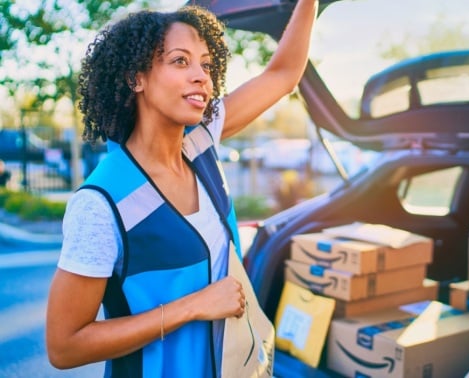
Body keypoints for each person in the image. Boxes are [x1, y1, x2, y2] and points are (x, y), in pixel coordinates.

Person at [45, 1, 316, 377]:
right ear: (135, 78)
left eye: (206, 65)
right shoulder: (102, 202)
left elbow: (283, 74)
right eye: (180, 61)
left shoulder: (201, 142)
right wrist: (193, 306)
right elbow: (64, 345)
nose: (202, 77)